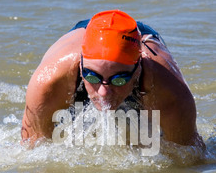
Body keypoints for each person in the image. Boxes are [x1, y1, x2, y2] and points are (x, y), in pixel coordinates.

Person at [21, 10, 204, 149]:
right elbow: (31, 151)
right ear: (81, 65)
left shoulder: (171, 93)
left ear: (137, 69)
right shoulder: (49, 82)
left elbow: (188, 160)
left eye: (119, 79)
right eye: (92, 77)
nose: (103, 92)